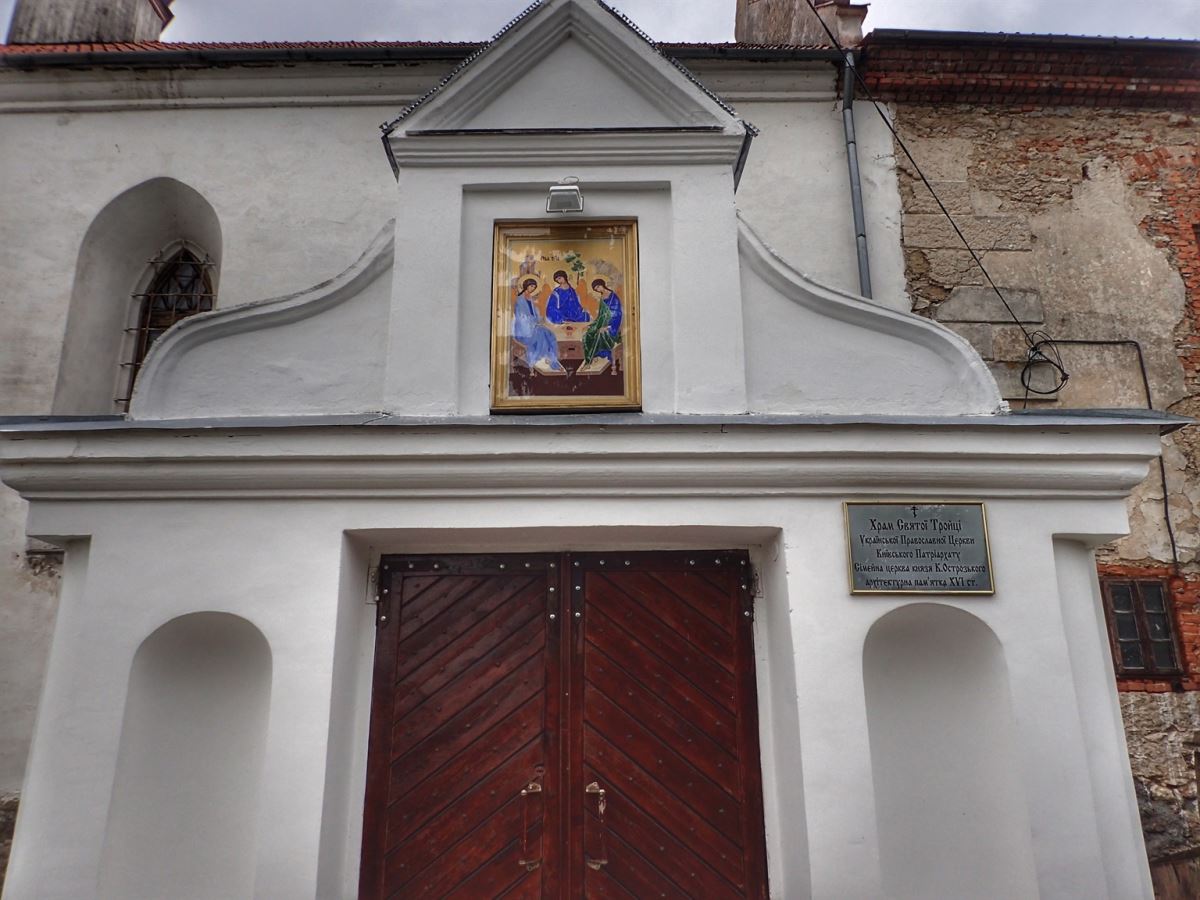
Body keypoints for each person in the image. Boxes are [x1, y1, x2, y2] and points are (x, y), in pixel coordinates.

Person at [511, 278, 563, 374]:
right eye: (531, 286)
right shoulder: (520, 300)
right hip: (523, 330)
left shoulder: (530, 298)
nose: (532, 288)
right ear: (526, 286)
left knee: (550, 334)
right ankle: (535, 360)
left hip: (533, 325)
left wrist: (538, 319)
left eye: (534, 287)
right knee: (541, 333)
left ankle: (552, 359)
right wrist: (533, 322)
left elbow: (535, 313)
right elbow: (521, 317)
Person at [582, 278, 622, 371]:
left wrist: (608, 327)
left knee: (599, 335)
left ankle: (589, 361)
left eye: (598, 287)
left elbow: (617, 315)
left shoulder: (613, 297)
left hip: (611, 325)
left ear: (602, 285)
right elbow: (601, 314)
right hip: (601, 322)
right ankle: (591, 356)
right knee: (587, 335)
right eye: (596, 289)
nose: (598, 289)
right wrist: (593, 325)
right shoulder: (602, 297)